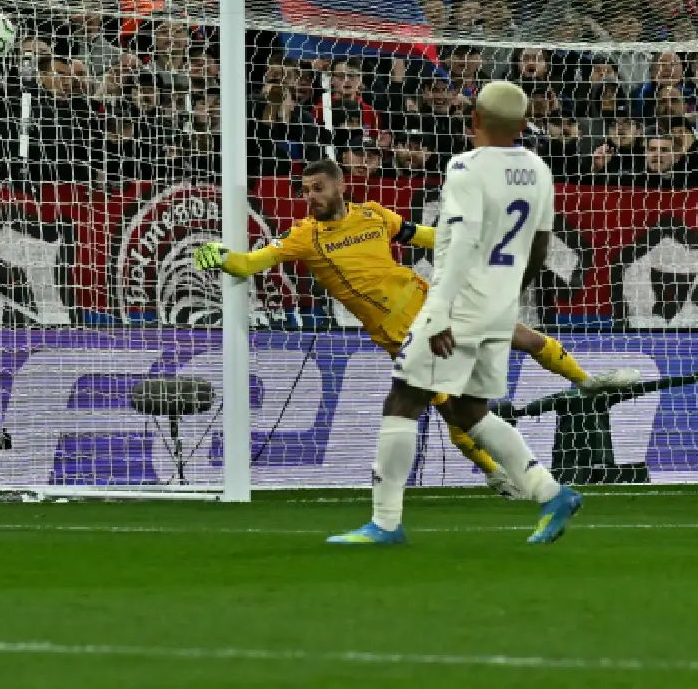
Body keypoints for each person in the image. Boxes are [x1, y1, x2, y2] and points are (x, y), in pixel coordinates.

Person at [195, 155, 636, 500]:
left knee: (516, 332)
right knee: (450, 406)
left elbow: (420, 236)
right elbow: (250, 262)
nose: (311, 197)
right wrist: (220, 255)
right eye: (306, 191)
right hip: (399, 331)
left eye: (319, 188)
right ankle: (493, 472)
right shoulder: (302, 237)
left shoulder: (373, 215)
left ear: (340, 185)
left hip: (430, 299)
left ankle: (586, 381)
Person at [329, 82, 583, 545]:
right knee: (469, 409)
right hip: (498, 306)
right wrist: (507, 296)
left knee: (404, 399)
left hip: (459, 303)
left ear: (476, 122)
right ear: (524, 126)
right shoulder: (539, 169)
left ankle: (385, 524)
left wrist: (441, 312)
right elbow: (541, 246)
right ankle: (550, 492)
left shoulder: (465, 166)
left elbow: (462, 243)